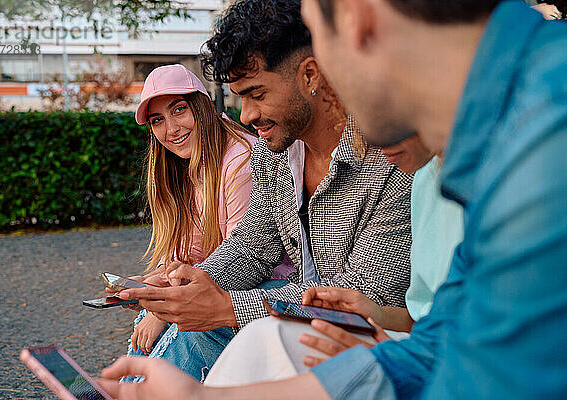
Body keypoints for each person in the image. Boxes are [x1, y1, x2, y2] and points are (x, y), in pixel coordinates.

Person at [97, 0, 567, 399]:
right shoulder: (499, 124)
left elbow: (476, 373)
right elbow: (436, 345)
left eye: (324, 51)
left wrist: (229, 310)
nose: (338, 98)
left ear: (358, 23)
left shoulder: (529, 141)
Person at [113, 0, 413, 383]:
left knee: (219, 325)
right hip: (302, 320)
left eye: (256, 94)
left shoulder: (389, 156)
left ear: (310, 75)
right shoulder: (275, 155)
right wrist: (189, 283)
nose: (245, 115)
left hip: (379, 342)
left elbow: (358, 300)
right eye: (239, 97)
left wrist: (228, 309)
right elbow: (252, 246)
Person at [198, 134, 463, 385]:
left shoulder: (412, 172)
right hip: (418, 347)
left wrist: (401, 357)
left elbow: (473, 343)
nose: (247, 115)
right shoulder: (427, 177)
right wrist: (378, 314)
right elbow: (424, 313)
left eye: (257, 94)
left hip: (447, 366)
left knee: (269, 336)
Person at [120, 64, 258, 361]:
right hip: (215, 281)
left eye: (179, 110)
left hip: (258, 291)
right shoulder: (186, 165)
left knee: (178, 327)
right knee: (145, 322)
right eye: (158, 120)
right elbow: (192, 249)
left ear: (202, 105)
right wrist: (154, 282)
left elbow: (244, 257)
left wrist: (167, 307)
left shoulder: (241, 159)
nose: (171, 129)